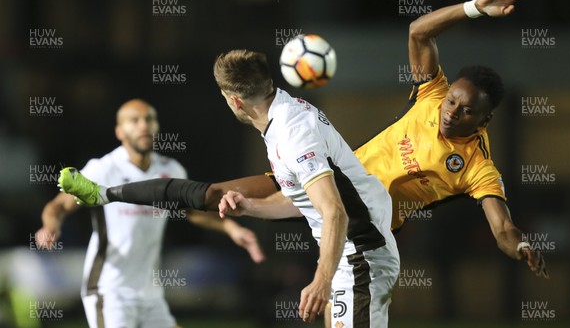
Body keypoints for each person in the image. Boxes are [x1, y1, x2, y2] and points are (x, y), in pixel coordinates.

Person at [58, 54, 401, 328]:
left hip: (360, 257)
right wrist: (250, 207)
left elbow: (333, 211)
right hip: (349, 255)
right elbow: (306, 201)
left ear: (235, 101)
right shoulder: (282, 118)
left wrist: (321, 278)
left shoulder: (294, 134)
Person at [353, 0, 548, 278]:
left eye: (466, 110)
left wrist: (520, 245)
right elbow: (418, 31)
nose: (452, 111)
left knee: (344, 311)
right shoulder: (432, 94)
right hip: (338, 180)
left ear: (483, 121)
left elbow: (503, 227)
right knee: (254, 198)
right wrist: (476, 8)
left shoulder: (477, 167)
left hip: (364, 226)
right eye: (452, 100)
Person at [35, 99, 265, 328]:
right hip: (110, 290)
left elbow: (190, 211)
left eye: (149, 119)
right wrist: (50, 225)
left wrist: (231, 227)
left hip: (150, 293)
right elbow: (59, 205)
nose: (143, 125)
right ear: (119, 131)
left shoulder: (171, 169)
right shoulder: (103, 168)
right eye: (134, 120)